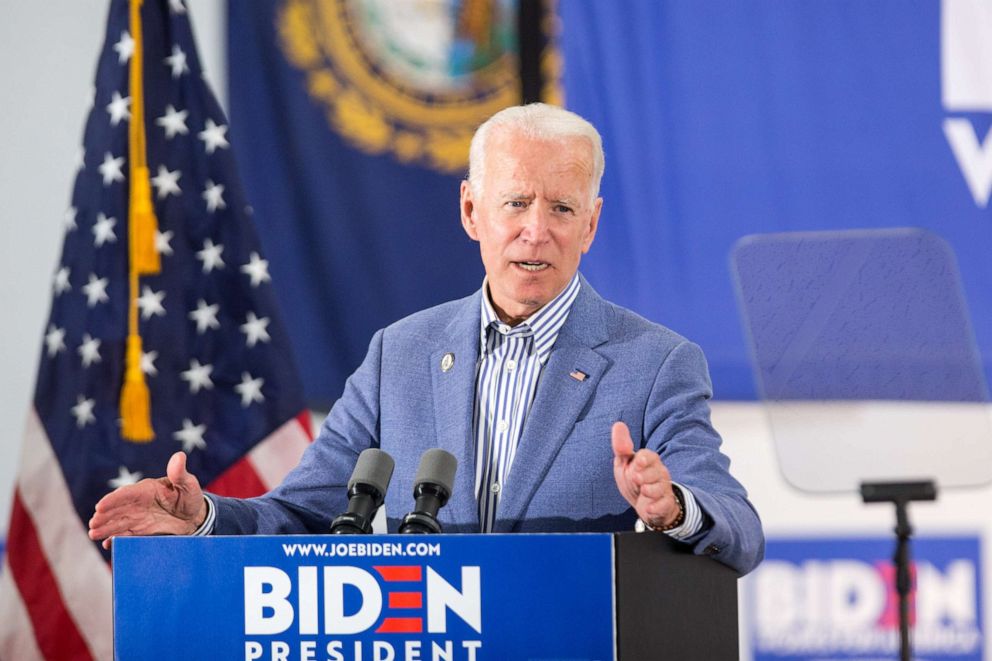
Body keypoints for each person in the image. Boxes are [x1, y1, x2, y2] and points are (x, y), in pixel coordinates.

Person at [89, 103, 764, 575]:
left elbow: (740, 526)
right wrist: (204, 515)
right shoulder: (399, 354)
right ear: (472, 210)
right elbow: (300, 514)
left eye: (562, 208)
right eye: (516, 203)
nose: (537, 229)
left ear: (591, 224)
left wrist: (674, 505)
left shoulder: (656, 363)